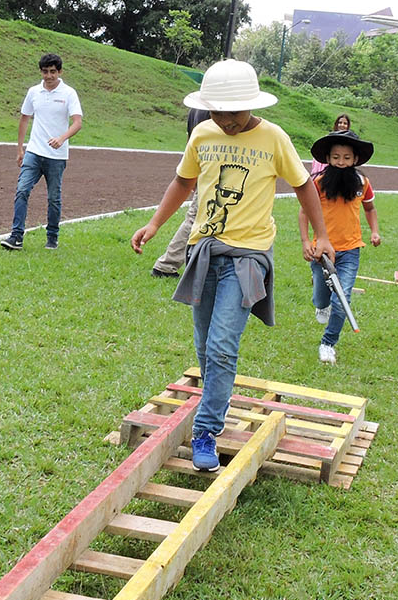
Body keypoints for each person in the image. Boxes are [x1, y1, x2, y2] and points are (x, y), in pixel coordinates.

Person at [131, 60, 334, 471]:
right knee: (206, 344)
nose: (224, 120)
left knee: (223, 344)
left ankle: (207, 428)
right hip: (202, 250)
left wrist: (322, 235)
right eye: (216, 111)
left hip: (248, 257)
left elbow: (303, 185)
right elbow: (184, 182)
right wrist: (155, 223)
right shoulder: (203, 133)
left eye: (232, 112)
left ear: (251, 103)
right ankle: (213, 401)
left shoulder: (273, 137)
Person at [298, 130, 381, 365]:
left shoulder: (362, 183)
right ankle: (321, 306)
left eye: (346, 157)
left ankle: (328, 343)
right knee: (321, 298)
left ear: (355, 159)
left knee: (342, 299)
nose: (341, 162)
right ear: (328, 159)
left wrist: (374, 231)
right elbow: (304, 212)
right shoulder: (318, 183)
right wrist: (306, 241)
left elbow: (370, 209)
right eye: (336, 157)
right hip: (321, 252)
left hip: (350, 250)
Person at [0, 53, 83, 251]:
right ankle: (16, 236)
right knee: (22, 190)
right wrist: (20, 148)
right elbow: (24, 118)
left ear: (59, 72)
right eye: (45, 72)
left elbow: (77, 122)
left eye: (52, 72)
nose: (49, 76)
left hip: (56, 156)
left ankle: (52, 237)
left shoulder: (68, 93)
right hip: (34, 152)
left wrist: (61, 138)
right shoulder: (34, 92)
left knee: (54, 197)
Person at [150, 107, 210, 278]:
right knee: (195, 217)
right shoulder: (211, 108)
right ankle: (166, 265)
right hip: (208, 170)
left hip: (201, 167)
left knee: (198, 216)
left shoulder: (195, 108)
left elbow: (190, 140)